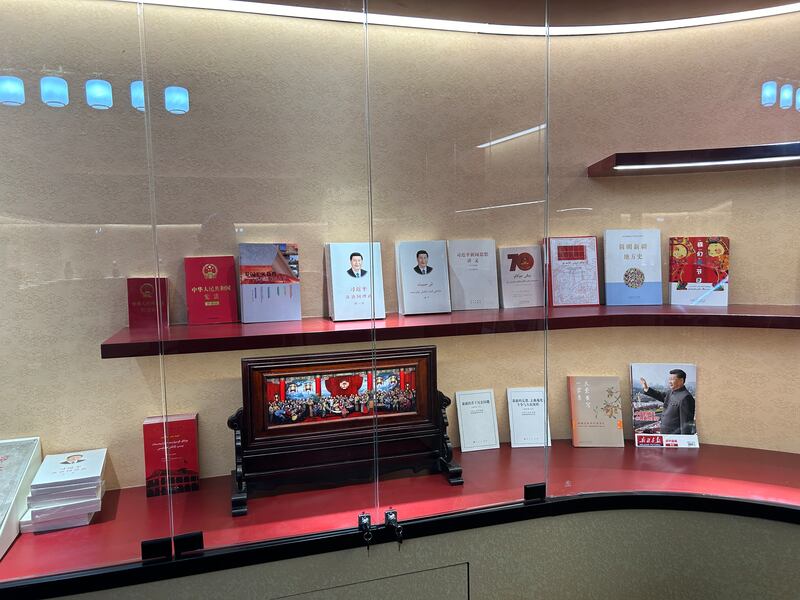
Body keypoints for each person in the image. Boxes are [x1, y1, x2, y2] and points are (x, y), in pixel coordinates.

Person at [639, 369, 696, 435]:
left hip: (674, 436)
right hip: (665, 434)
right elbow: (660, 395)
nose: (669, 382)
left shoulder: (686, 397)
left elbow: (686, 424)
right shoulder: (670, 392)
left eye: (672, 379)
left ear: (681, 381)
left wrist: (683, 441)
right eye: (669, 379)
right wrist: (646, 388)